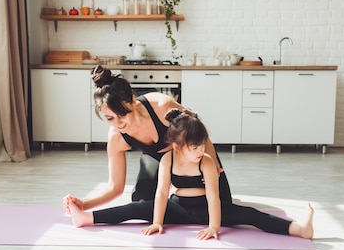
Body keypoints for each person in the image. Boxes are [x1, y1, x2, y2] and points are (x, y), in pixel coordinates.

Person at [64, 108, 314, 241]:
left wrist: (214, 226)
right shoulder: (167, 159)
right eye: (194, 147)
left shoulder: (205, 161)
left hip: (205, 208)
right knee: (138, 208)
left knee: (249, 214)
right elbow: (162, 193)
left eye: (201, 144)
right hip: (178, 207)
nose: (200, 150)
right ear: (177, 146)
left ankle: (299, 229)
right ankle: (85, 218)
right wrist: (158, 222)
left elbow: (214, 198)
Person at [64, 64, 232, 213]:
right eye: (110, 118)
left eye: (122, 115)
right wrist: (84, 204)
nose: (118, 123)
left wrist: (212, 164)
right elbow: (114, 187)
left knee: (224, 206)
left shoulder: (161, 106)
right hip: (156, 158)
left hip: (188, 152)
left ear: (133, 101)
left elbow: (197, 130)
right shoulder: (116, 137)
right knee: (142, 203)